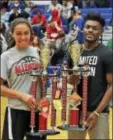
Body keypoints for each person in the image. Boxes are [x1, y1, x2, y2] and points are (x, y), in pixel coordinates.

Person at [68, 12, 112, 139]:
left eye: (95, 28)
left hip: (98, 112)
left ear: (101, 32)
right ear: (83, 29)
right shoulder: (75, 51)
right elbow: (70, 80)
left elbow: (111, 85)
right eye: (88, 27)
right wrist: (72, 79)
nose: (90, 30)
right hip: (76, 110)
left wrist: (97, 113)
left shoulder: (107, 53)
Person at [1, 18, 46, 140]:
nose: (23, 37)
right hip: (16, 109)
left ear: (31, 33)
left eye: (26, 33)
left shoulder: (37, 52)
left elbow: (42, 79)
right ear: (12, 34)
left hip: (37, 110)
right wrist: (23, 96)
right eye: (19, 34)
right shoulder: (6, 57)